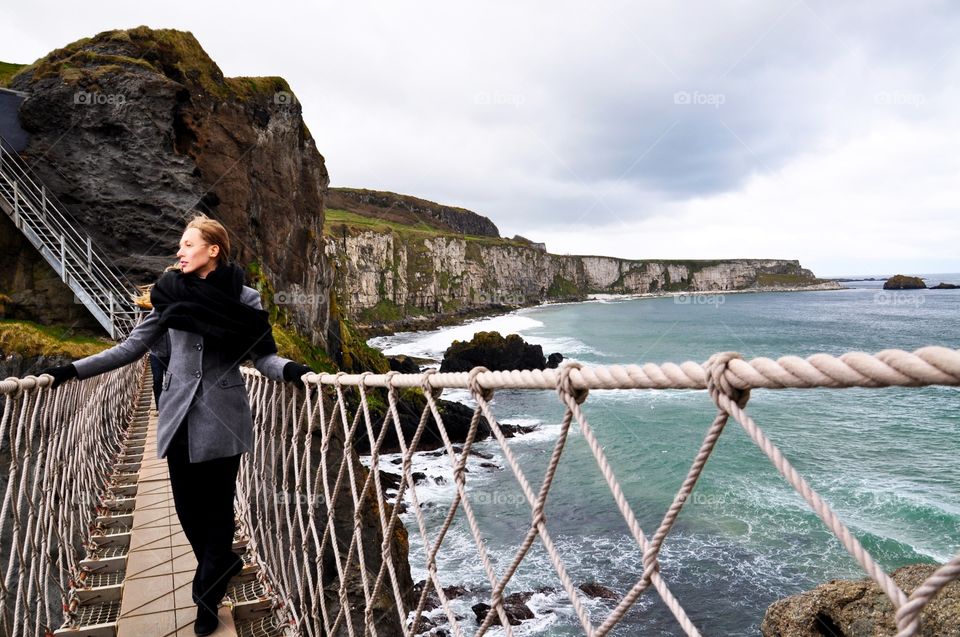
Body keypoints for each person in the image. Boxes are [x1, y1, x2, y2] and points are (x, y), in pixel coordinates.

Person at [39, 214, 313, 636]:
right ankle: (222, 565)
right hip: (177, 416)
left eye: (187, 244)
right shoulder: (168, 295)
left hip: (224, 417)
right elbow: (131, 349)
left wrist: (293, 370)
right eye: (180, 245)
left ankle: (206, 596)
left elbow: (263, 357)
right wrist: (71, 371)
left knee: (218, 512)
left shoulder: (245, 299)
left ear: (213, 250)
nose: (179, 251)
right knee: (188, 512)